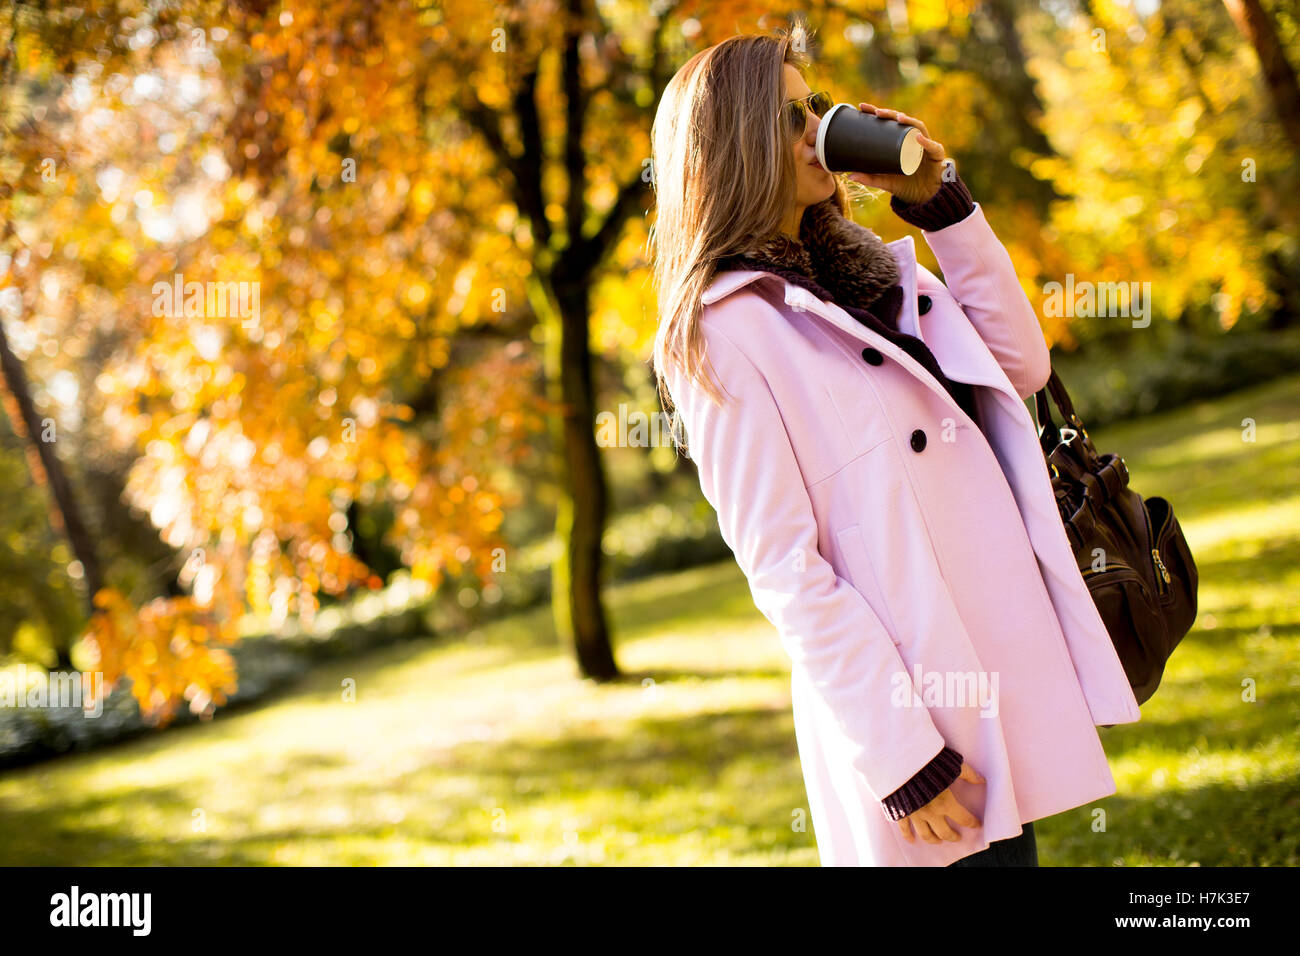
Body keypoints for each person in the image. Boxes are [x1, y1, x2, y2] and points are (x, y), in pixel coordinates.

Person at [649, 22, 1140, 867]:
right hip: (913, 718)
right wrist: (906, 761)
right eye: (792, 119)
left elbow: (1020, 365)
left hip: (994, 673)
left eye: (818, 110)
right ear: (734, 143)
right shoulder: (724, 331)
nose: (820, 132)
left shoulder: (871, 269)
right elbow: (785, 569)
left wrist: (939, 203)